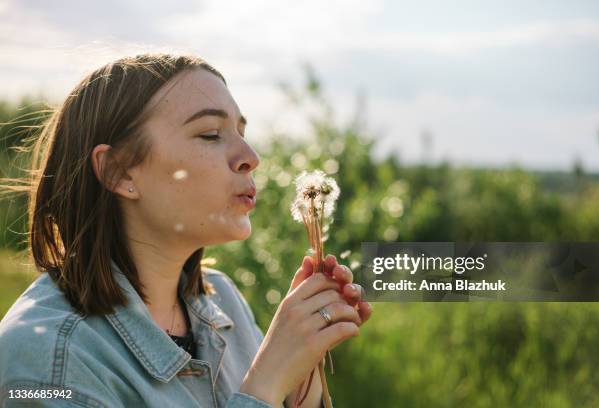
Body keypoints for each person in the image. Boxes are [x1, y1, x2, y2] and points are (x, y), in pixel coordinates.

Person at [0, 54, 372, 407]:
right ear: (119, 172)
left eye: (241, 132)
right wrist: (265, 383)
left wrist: (299, 381)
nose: (250, 156)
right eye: (210, 134)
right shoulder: (49, 362)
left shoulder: (223, 302)